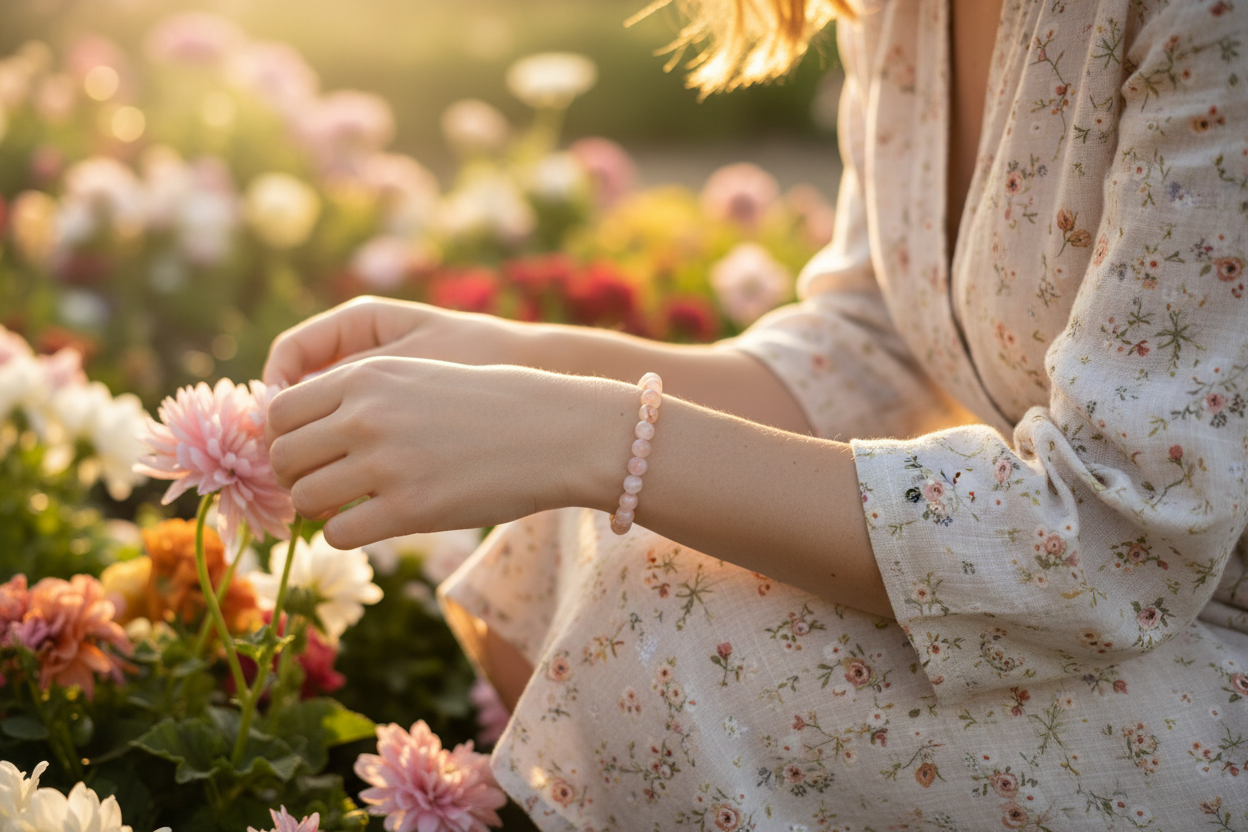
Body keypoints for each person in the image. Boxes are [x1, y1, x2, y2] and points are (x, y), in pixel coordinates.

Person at [263, 0, 1248, 827]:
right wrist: (516, 360)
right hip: (1118, 598)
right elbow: (875, 345)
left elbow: (1114, 533)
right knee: (587, 520)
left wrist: (594, 435)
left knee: (666, 617)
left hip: (1201, 638)